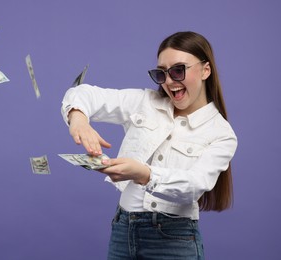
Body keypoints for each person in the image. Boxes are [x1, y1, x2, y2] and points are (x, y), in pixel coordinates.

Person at [61, 31, 238, 260]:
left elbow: (195, 185)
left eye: (178, 70)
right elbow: (82, 93)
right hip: (123, 231)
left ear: (205, 69)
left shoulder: (222, 134)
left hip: (175, 240)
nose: (169, 81)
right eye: (161, 74)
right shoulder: (144, 102)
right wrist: (79, 120)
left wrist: (144, 174)